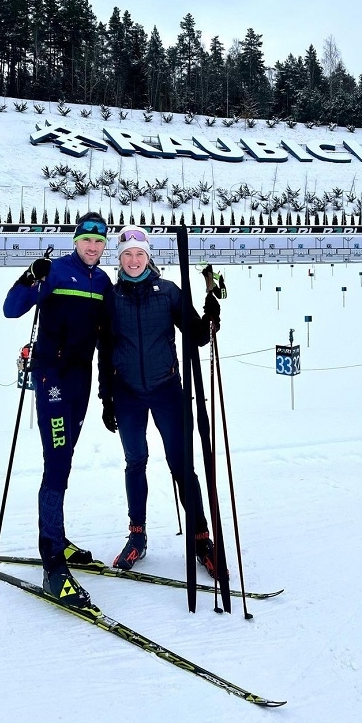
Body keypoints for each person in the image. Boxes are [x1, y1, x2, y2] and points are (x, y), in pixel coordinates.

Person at [99, 225, 222, 577]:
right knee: (135, 461)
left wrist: (210, 315)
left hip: (167, 389)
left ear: (148, 257)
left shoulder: (167, 292)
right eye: (127, 255)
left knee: (182, 464)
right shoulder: (111, 298)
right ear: (119, 259)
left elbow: (198, 336)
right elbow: (104, 353)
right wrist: (106, 396)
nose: (134, 260)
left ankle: (201, 537)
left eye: (139, 254)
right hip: (127, 393)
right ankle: (137, 535)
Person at [3, 212, 112, 609]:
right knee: (56, 463)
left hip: (80, 385)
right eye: (86, 240)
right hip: (52, 382)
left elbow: (109, 338)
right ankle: (53, 563)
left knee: (63, 462)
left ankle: (57, 538)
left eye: (99, 242)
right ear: (76, 240)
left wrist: (109, 392)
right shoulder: (54, 271)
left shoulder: (102, 282)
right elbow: (11, 309)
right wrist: (30, 276)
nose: (92, 247)